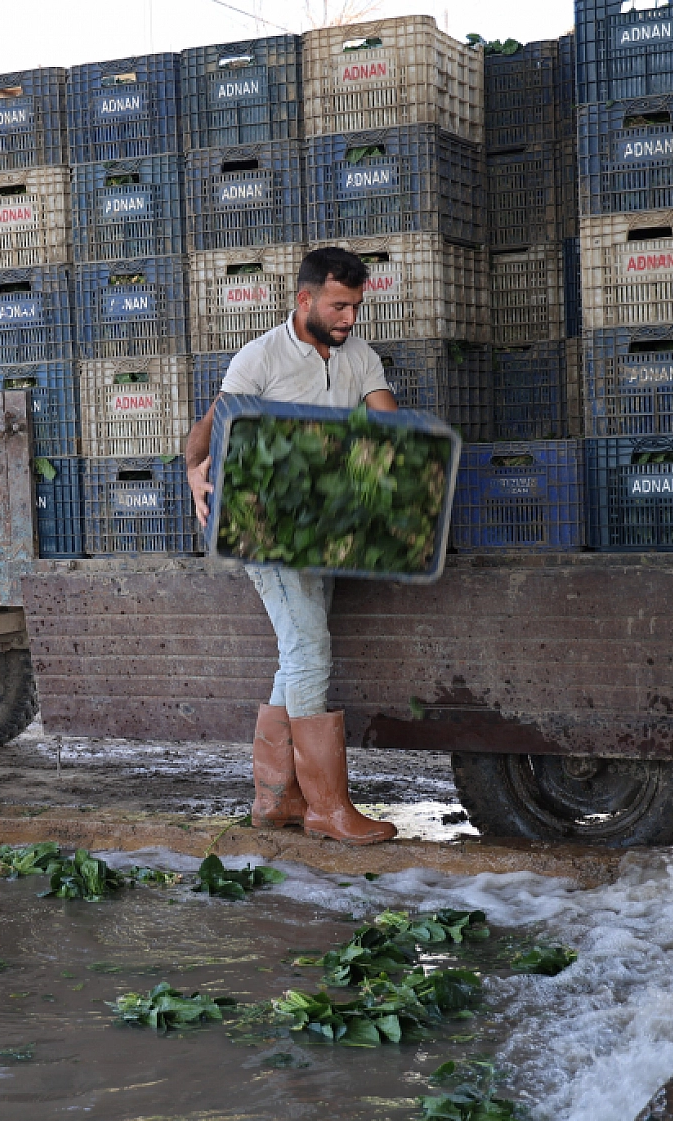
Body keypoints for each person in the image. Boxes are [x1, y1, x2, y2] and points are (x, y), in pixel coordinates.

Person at [183, 246, 399, 846]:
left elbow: (390, 428)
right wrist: (194, 470)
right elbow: (211, 425)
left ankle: (275, 801)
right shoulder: (261, 356)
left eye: (355, 307)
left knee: (296, 655)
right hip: (265, 528)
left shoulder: (361, 357)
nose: (349, 318)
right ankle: (327, 809)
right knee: (308, 650)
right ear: (305, 299)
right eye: (338, 306)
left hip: (325, 529)